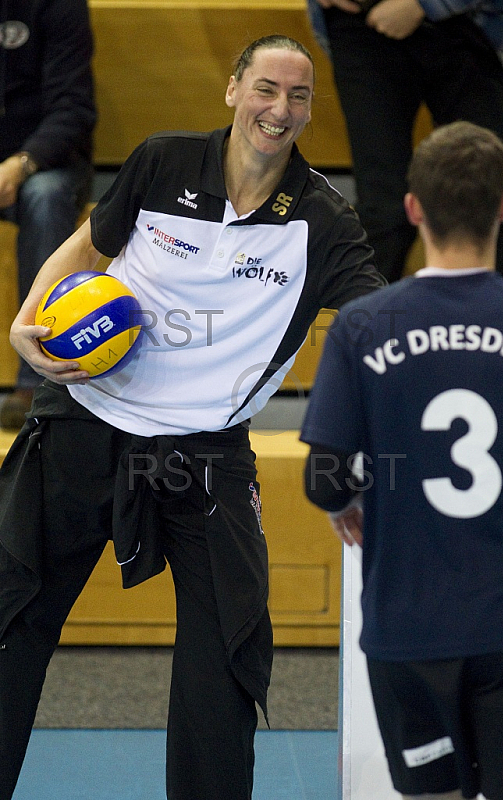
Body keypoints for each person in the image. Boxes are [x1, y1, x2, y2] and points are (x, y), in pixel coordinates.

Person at [0, 34, 386, 800]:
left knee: (227, 650)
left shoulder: (320, 219)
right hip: (84, 418)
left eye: (298, 96)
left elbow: (377, 321)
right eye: (267, 89)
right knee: (12, 618)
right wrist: (26, 319)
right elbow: (86, 243)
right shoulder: (164, 160)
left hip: (203, 452)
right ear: (234, 90)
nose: (280, 109)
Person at [301, 121, 503, 800]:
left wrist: (345, 502)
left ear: (411, 208)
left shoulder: (363, 325)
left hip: (409, 625)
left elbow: (323, 476)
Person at [307, 0, 503, 284]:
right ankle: (372, 323)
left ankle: (478, 322)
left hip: (471, 20)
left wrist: (423, 4)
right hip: (360, 21)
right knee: (385, 213)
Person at [0, 0, 96, 430]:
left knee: (45, 195)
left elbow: (73, 107)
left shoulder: (58, 4)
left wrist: (21, 164)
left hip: (45, 162)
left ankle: (36, 380)